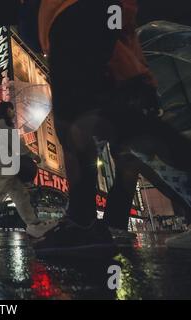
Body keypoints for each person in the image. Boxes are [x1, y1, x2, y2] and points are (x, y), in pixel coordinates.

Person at [34, 0, 191, 252]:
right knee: (129, 127)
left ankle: (82, 223)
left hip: (73, 15)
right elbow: (119, 25)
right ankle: (84, 223)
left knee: (78, 125)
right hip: (83, 19)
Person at [0, 101, 56, 239]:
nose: (14, 113)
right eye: (12, 109)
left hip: (6, 164)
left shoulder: (1, 126)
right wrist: (33, 155)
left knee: (20, 194)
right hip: (6, 165)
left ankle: (33, 224)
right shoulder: (3, 126)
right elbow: (17, 146)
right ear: (7, 110)